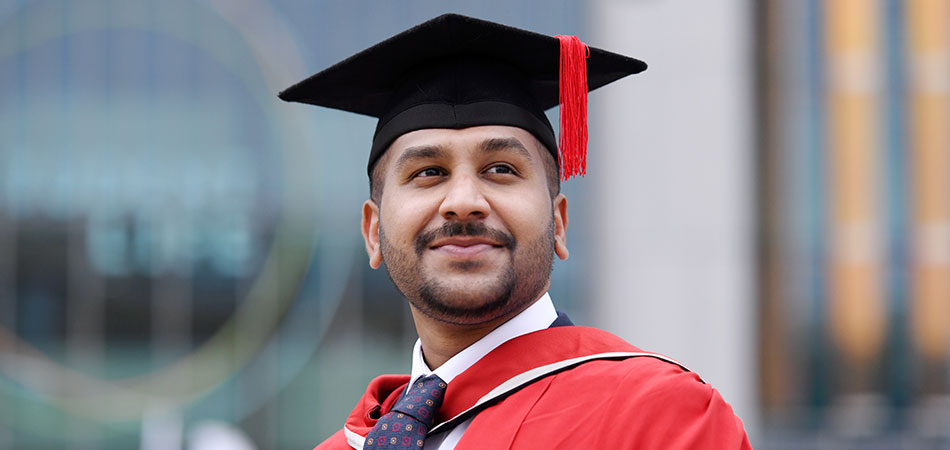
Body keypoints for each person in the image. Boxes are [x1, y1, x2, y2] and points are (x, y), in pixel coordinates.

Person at [280, 13, 752, 450]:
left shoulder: (658, 417)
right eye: (428, 172)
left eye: (501, 168)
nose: (463, 200)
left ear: (559, 223)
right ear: (373, 231)